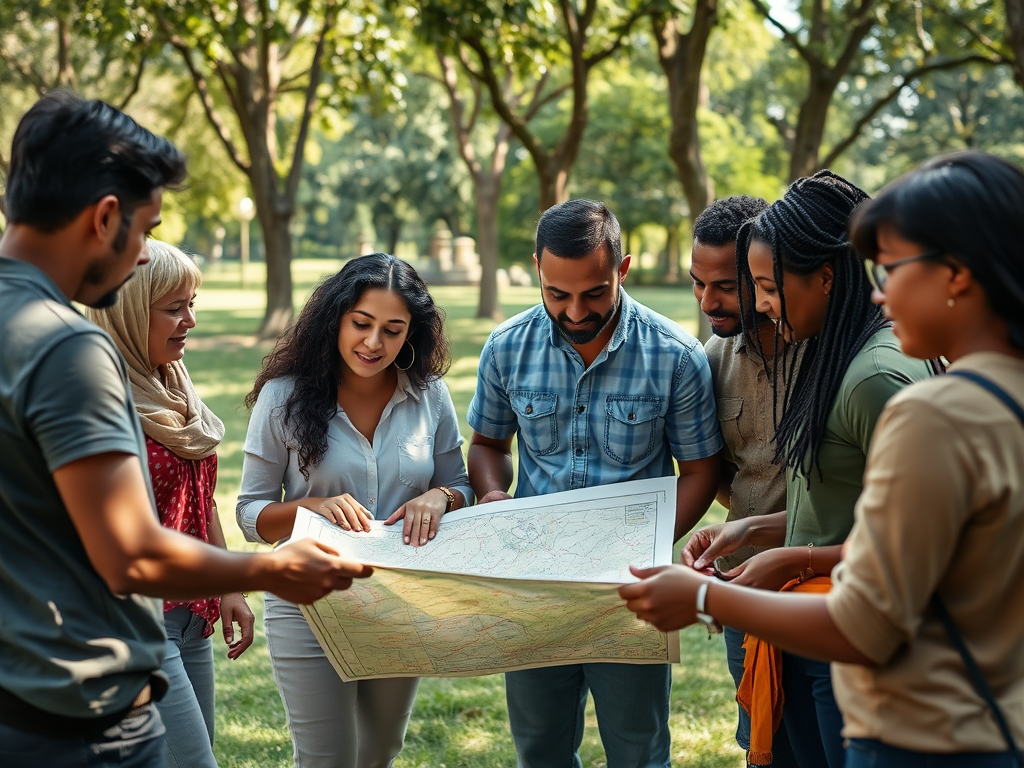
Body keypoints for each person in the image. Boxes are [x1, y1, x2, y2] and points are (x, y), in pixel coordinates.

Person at [0, 91, 370, 768]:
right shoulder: (67, 350)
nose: (143, 256)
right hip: (83, 715)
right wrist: (271, 569)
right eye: (145, 230)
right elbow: (132, 557)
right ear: (105, 217)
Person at [622, 151, 1024, 767]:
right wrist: (760, 529)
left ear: (957, 274)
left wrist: (705, 599)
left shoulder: (915, 402)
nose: (880, 289)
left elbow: (867, 622)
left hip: (923, 730)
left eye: (890, 267)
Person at [683, 171, 933, 767]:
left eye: (766, 287)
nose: (760, 305)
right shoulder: (833, 349)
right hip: (807, 623)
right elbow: (841, 508)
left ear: (824, 278)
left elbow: (918, 548)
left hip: (849, 640)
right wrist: (753, 532)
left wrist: (795, 558)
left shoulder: (877, 378)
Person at [466, 199, 721, 768]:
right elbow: (486, 445)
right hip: (534, 583)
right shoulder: (506, 348)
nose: (575, 311)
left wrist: (645, 545)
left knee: (638, 750)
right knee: (541, 749)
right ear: (538, 269)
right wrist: (492, 497)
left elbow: (702, 471)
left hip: (629, 590)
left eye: (594, 293)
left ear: (622, 270)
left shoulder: (675, 356)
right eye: (557, 294)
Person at [236, 252, 473, 768]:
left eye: (393, 330)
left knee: (380, 751)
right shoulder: (282, 398)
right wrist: (311, 507)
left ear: (411, 333)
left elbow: (458, 483)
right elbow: (250, 514)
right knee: (327, 759)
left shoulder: (430, 396)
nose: (373, 343)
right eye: (361, 324)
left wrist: (442, 496)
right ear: (336, 318)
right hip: (309, 604)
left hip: (399, 597)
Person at [86, 241, 254, 768]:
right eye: (175, 307)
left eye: (194, 302)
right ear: (130, 310)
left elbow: (199, 499)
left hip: (187, 615)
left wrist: (228, 584)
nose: (191, 320)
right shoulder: (98, 401)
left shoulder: (170, 385)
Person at [689, 195, 799, 768]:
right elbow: (722, 474)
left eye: (726, 286)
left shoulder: (822, 354)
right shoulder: (712, 357)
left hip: (821, 581)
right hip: (744, 584)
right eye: (697, 285)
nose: (709, 302)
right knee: (760, 743)